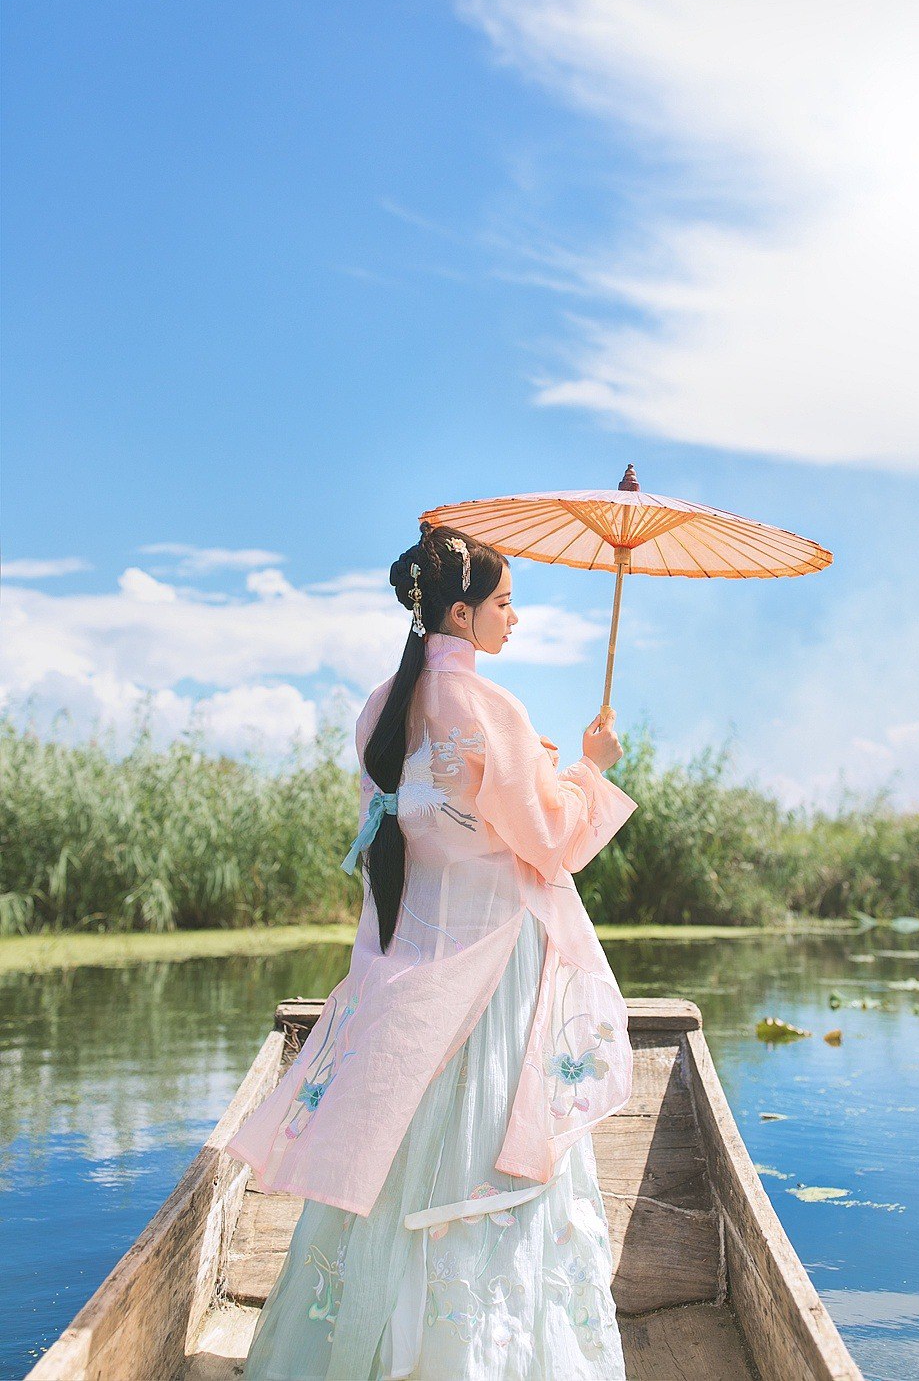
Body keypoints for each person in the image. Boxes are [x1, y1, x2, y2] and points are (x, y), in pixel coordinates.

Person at [225, 521, 639, 1379]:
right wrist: (592, 768)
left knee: (402, 1149)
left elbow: (438, 819)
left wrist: (543, 766)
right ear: (461, 612)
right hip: (493, 963)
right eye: (505, 603)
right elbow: (550, 841)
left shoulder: (383, 707)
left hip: (413, 960)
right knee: (490, 1139)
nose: (515, 619)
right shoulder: (489, 707)